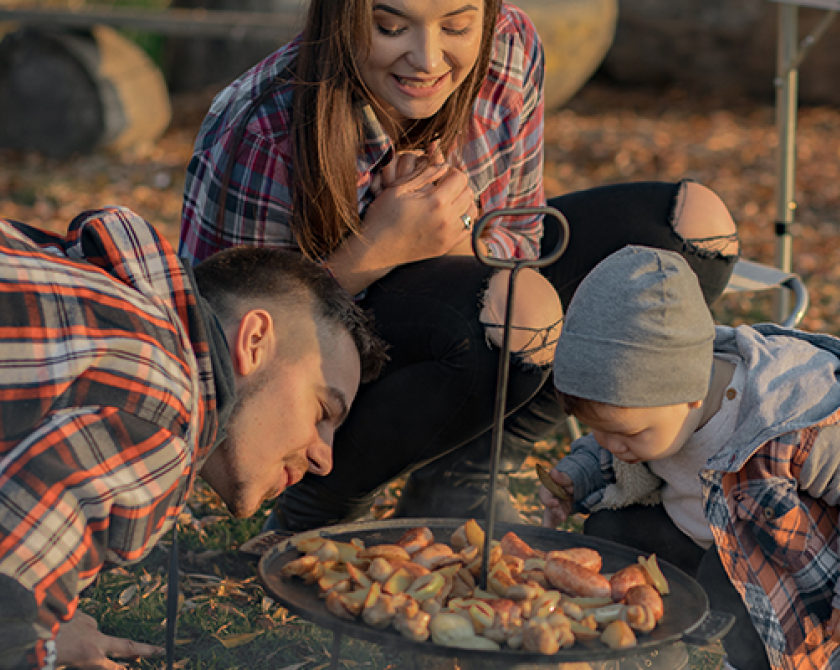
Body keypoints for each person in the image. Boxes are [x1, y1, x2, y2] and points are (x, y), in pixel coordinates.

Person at [180, 0, 740, 531]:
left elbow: (521, 238)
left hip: (457, 282)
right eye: (390, 26)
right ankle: (321, 500)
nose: (427, 60)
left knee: (694, 229)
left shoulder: (511, 47)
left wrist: (447, 239)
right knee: (520, 309)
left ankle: (465, 471)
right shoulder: (265, 128)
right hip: (332, 367)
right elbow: (232, 347)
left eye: (456, 26)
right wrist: (377, 248)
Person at [0, 196, 386, 669]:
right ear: (254, 341)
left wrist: (41, 614)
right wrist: (36, 643)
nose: (325, 459)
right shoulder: (163, 406)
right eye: (322, 410)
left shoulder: (97, 306)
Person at [539, 245, 840, 670]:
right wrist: (581, 473)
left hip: (785, 579)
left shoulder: (791, 421)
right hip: (695, 535)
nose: (607, 444)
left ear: (691, 393)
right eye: (597, 430)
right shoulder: (654, 414)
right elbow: (610, 450)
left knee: (730, 588)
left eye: (625, 434)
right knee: (611, 533)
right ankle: (650, 647)